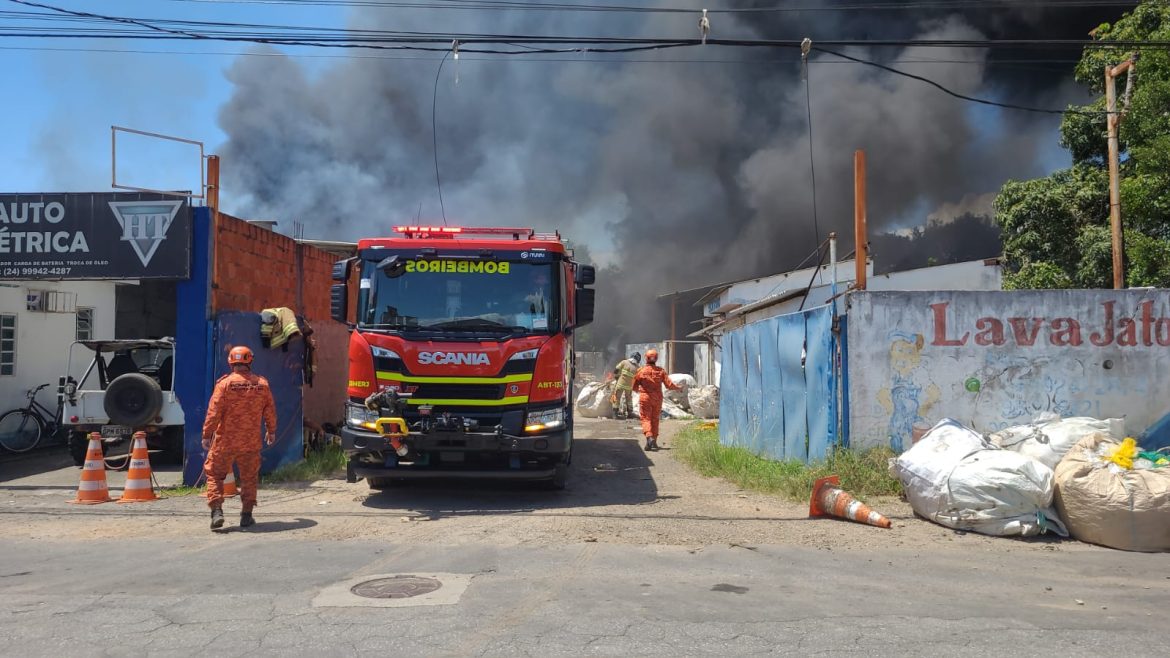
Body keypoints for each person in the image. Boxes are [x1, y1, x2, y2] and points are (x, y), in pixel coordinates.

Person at [202, 346, 277, 530]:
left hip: (224, 442)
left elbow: (214, 412)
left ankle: (217, 511)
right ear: (250, 361)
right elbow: (270, 411)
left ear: (231, 362)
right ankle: (246, 515)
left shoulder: (224, 384)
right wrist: (271, 431)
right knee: (249, 478)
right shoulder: (262, 384)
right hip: (250, 442)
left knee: (214, 475)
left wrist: (207, 434)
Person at [632, 349, 680, 451]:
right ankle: (653, 442)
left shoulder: (641, 371)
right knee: (655, 419)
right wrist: (678, 388)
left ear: (646, 358)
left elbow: (634, 386)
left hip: (645, 398)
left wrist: (639, 389)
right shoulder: (661, 371)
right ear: (656, 358)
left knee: (646, 419)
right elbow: (669, 385)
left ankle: (649, 437)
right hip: (657, 398)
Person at [611, 352, 641, 419]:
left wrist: (616, 377)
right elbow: (638, 378)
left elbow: (616, 370)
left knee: (616, 397)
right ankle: (630, 413)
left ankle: (615, 414)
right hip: (629, 386)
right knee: (629, 399)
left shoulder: (624, 362)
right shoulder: (637, 367)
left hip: (620, 384)